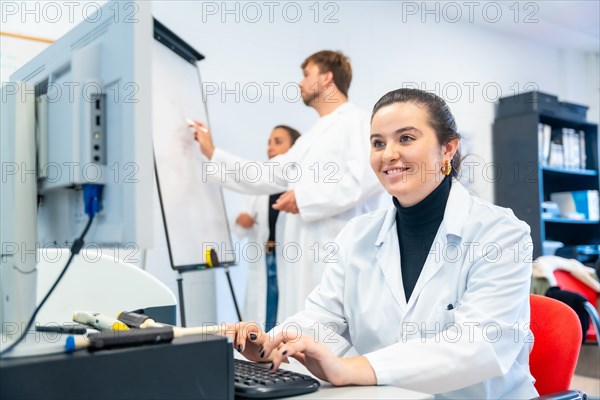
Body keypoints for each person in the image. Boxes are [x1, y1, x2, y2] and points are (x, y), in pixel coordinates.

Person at [223, 88, 538, 398]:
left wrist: (354, 369)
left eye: (406, 138)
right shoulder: (357, 235)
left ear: (447, 149)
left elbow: (481, 345)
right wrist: (268, 344)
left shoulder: (501, 233)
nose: (388, 154)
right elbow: (320, 317)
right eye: (377, 143)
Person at [191, 50, 383, 322]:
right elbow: (268, 174)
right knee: (299, 332)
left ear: (327, 78)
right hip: (298, 257)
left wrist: (303, 198)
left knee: (332, 340)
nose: (300, 83)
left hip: (333, 253)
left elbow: (365, 179)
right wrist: (212, 153)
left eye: (307, 75)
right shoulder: (311, 137)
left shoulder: (359, 122)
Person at [234, 125, 301, 331]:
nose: (270, 147)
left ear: (295, 148)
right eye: (269, 142)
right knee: (265, 312)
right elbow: (242, 225)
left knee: (289, 309)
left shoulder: (299, 183)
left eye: (278, 142)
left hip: (291, 258)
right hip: (265, 258)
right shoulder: (258, 186)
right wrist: (242, 221)